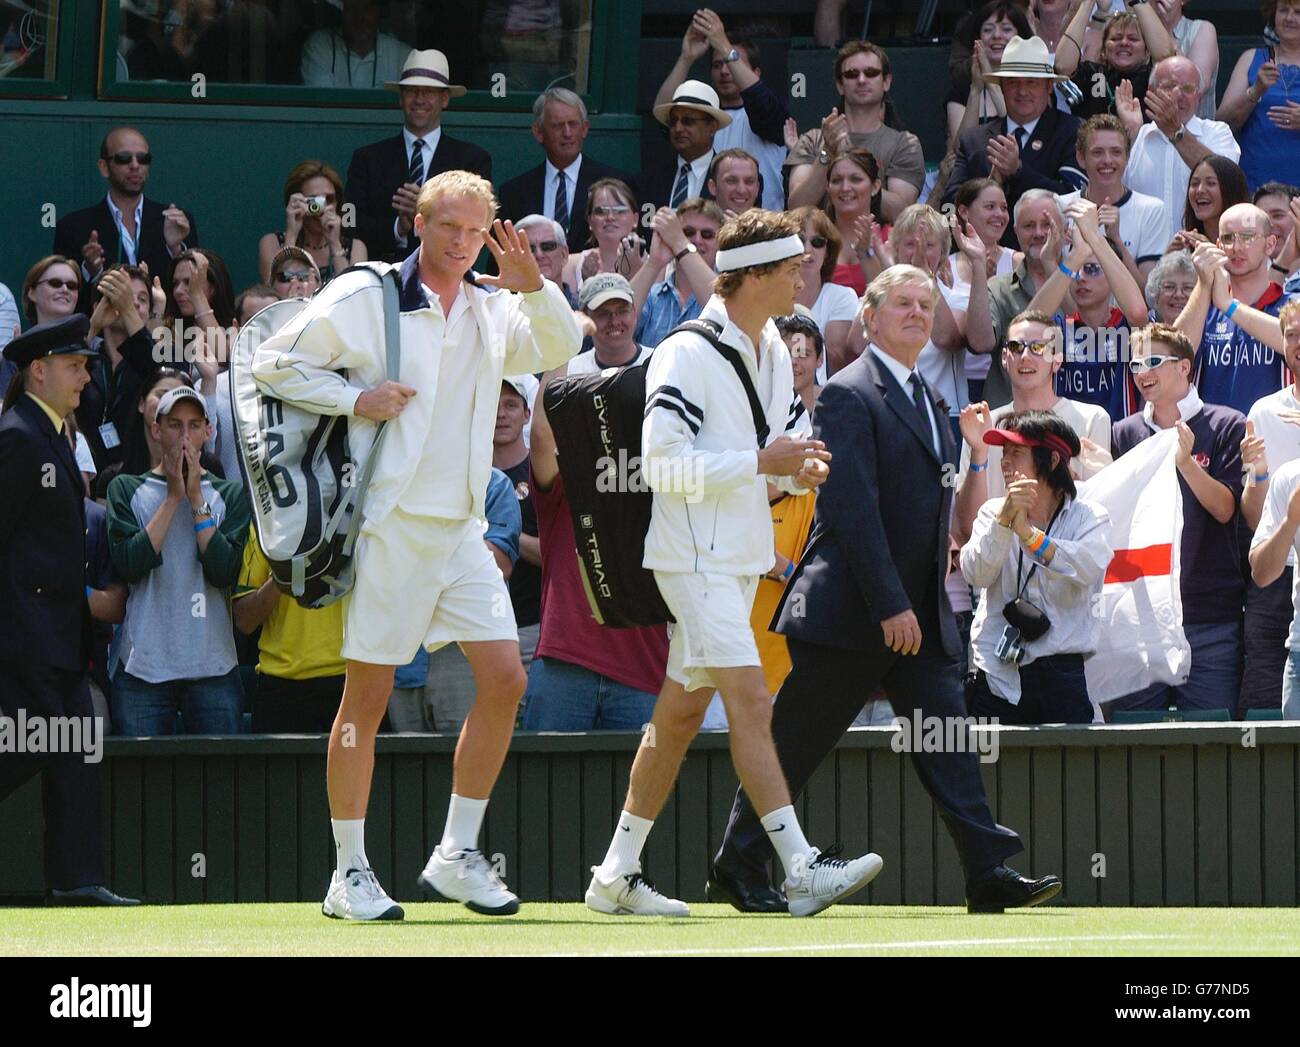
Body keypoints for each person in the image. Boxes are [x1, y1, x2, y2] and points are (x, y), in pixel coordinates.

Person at [252, 170, 581, 921]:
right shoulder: (368, 295)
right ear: (419, 226)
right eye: (449, 228)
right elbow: (273, 361)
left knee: (505, 680)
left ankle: (457, 853)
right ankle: (348, 872)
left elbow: (556, 347)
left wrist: (536, 287)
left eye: (476, 231)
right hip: (388, 529)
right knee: (364, 696)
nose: (463, 243)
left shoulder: (495, 308)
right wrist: (353, 398)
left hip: (461, 529)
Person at [710, 264, 1060, 915]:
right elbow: (850, 507)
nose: (916, 313)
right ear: (869, 318)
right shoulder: (848, 392)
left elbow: (928, 512)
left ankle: (986, 868)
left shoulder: (927, 397)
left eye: (925, 304)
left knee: (945, 737)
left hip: (914, 615)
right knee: (796, 741)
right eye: (901, 303)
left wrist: (918, 604)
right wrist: (890, 603)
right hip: (848, 613)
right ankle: (738, 860)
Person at [585, 209, 881, 919]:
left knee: (681, 711)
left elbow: (771, 456)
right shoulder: (684, 352)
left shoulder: (776, 345)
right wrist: (760, 462)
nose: (802, 276)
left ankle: (615, 873)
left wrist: (792, 472)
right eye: (788, 268)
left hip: (738, 553)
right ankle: (799, 864)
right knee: (750, 698)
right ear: (751, 276)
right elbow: (658, 463)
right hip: (692, 558)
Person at [0, 316, 138, 907]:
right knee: (28, 745)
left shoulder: (54, 434)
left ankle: (78, 880)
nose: (86, 375)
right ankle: (75, 878)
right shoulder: (19, 437)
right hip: (25, 637)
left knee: (78, 750)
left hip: (63, 636)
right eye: (75, 365)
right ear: (38, 370)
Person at [520, 340, 667, 732]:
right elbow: (541, 435)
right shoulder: (571, 480)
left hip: (645, 668)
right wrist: (561, 339)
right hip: (564, 662)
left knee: (643, 794)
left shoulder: (666, 483)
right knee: (547, 790)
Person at [1110, 322, 1245, 715]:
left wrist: (1186, 464)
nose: (1142, 373)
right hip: (1140, 619)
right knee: (1134, 747)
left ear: (1184, 368)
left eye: (1153, 361)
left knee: (1211, 746)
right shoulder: (1124, 432)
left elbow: (1225, 508)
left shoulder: (1225, 424)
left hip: (1209, 616)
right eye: (1136, 364)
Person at [106, 386, 249, 734]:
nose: (185, 436)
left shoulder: (230, 494)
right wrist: (172, 498)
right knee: (141, 783)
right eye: (175, 425)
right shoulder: (125, 489)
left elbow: (223, 571)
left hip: (213, 667)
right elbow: (129, 565)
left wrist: (196, 494)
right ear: (156, 429)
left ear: (208, 431)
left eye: (195, 425)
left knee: (221, 781)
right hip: (144, 669)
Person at [961, 411, 1112, 724]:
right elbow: (976, 573)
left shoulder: (1089, 516)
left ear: (1052, 460)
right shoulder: (992, 512)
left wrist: (1029, 537)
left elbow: (1086, 566)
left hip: (1062, 674)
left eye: (1017, 453)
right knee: (989, 772)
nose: (1005, 462)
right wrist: (1005, 523)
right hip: (997, 673)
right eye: (1004, 453)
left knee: (1070, 771)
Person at [954, 309, 1112, 544]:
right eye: (1017, 347)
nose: (1026, 356)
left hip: (1062, 563)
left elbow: (1097, 516)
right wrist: (979, 453)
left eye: (1038, 347)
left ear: (1057, 359)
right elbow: (968, 528)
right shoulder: (983, 425)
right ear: (1005, 358)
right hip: (997, 565)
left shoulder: (1092, 419)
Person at [387, 467, 521, 733]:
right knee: (404, 765)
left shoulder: (493, 483)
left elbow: (500, 564)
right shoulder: (391, 478)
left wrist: (418, 541)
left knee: (468, 762)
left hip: (462, 653)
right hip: (401, 653)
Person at [344, 49, 491, 263]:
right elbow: (350, 222)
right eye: (412, 91)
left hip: (448, 276)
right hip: (382, 275)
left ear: (444, 99)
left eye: (429, 92)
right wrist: (399, 227)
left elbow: (478, 224)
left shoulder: (472, 160)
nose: (419, 99)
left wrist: (427, 209)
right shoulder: (367, 159)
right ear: (401, 99)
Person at [1025, 197, 1149, 422]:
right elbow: (1027, 327)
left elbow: (1139, 313)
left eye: (1092, 269)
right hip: (1065, 444)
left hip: (1118, 445)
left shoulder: (1125, 326)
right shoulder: (1060, 329)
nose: (1081, 278)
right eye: (1077, 271)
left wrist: (1094, 236)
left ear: (1111, 276)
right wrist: (1075, 257)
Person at [52, 126, 198, 311]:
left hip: (165, 333)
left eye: (143, 159)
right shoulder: (73, 226)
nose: (135, 165)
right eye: (124, 158)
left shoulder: (176, 222)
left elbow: (197, 290)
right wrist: (90, 271)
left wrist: (175, 249)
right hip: (100, 334)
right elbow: (63, 300)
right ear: (104, 167)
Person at [655, 10, 789, 211]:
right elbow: (663, 114)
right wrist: (686, 58)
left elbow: (762, 103)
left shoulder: (769, 112)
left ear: (756, 73)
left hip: (761, 231)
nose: (725, 71)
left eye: (733, 62)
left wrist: (724, 46)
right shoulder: (699, 120)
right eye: (717, 65)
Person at [942, 36, 1085, 219]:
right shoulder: (974, 140)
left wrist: (1018, 170)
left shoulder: (1072, 131)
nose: (1022, 91)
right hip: (984, 246)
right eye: (1013, 82)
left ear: (1049, 86)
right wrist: (989, 187)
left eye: (1031, 82)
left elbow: (1072, 198)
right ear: (1001, 87)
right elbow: (949, 206)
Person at [1240, 298, 1300, 715]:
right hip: (1279, 573)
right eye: (1292, 334)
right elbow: (1253, 515)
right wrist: (1258, 475)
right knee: (1264, 700)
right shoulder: (1264, 411)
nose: (1299, 342)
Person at [787, 41, 924, 223]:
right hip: (820, 245)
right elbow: (797, 208)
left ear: (886, 82)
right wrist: (827, 153)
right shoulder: (813, 139)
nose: (861, 80)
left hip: (879, 247)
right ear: (840, 85)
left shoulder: (905, 143)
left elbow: (901, 213)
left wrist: (849, 158)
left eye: (871, 73)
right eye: (852, 74)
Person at [1172, 205, 1288, 416]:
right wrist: (1204, 283)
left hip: (1273, 439)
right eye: (1227, 238)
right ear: (1217, 246)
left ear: (1270, 244)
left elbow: (1289, 338)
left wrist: (1228, 305)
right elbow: (1172, 358)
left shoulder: (1290, 306)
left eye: (1247, 237)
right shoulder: (1202, 307)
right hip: (1215, 443)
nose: (1236, 247)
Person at [233, 522, 347, 732]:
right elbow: (244, 621)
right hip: (280, 687)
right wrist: (283, 573)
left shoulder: (358, 514)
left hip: (347, 682)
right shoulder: (266, 521)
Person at [1118, 55, 1240, 249]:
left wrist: (1175, 131)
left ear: (1198, 95)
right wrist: (1128, 136)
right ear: (1150, 92)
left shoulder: (1218, 133)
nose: (1178, 95)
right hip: (1143, 261)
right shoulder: (1137, 137)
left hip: (1202, 256)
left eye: (1188, 88)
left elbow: (1225, 181)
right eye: (1169, 86)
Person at [497, 87, 637, 254]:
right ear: (538, 132)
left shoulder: (615, 184)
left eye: (573, 124)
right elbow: (501, 260)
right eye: (557, 126)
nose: (567, 133)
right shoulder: (514, 193)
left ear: (584, 128)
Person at [966, 189, 1069, 407]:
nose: (1039, 233)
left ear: (1065, 229)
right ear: (1016, 232)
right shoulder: (999, 288)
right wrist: (977, 265)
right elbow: (978, 343)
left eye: (1047, 224)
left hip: (1072, 416)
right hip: (1011, 419)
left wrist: (1052, 266)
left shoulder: (1087, 284)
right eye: (1029, 226)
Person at [1057, 114, 1167, 284]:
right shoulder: (1061, 207)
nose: (1107, 160)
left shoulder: (1151, 210)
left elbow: (1148, 297)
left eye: (1116, 152)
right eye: (1097, 152)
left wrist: (1116, 241)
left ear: (1127, 157)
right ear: (1080, 158)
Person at [76, 265, 154, 472]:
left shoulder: (162, 355)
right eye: (120, 296)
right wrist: (92, 326)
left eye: (142, 299)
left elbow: (154, 372)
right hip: (87, 479)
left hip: (138, 479)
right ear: (98, 307)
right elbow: (61, 379)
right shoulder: (87, 358)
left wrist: (127, 310)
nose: (133, 303)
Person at [1216, 0, 1300, 193]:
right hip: (1257, 185)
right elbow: (1223, 124)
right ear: (1274, 15)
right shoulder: (1252, 58)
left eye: (1298, 12)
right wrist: (1255, 91)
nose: (1289, 18)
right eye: (1283, 10)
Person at [1055, 3, 1174, 120]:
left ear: (1147, 51)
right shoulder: (1093, 74)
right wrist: (1087, 3)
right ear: (1104, 50)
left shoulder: (1152, 78)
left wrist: (1137, 1)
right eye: (1115, 38)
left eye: (1133, 39)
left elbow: (1165, 56)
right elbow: (1062, 66)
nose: (1124, 43)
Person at [632, 198, 722, 349]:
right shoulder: (652, 296)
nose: (696, 240)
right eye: (688, 233)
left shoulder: (731, 293)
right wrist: (654, 262)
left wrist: (681, 243)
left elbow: (722, 309)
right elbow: (617, 321)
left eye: (707, 234)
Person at [257, 161, 368, 284]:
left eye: (329, 199)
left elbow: (353, 294)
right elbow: (280, 292)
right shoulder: (272, 243)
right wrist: (291, 236)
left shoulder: (355, 247)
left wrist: (335, 245)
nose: (322, 207)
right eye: (314, 201)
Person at [945, 2, 1031, 145]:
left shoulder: (1033, 84)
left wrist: (990, 81)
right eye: (988, 30)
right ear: (977, 38)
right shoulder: (962, 89)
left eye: (1006, 29)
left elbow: (1023, 135)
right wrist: (975, 90)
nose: (996, 35)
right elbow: (961, 148)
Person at [789, 205, 857, 379]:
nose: (807, 249)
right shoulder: (769, 295)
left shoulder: (842, 297)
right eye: (800, 240)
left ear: (828, 252)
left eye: (817, 242)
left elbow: (836, 361)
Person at [642, 79, 729, 212]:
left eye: (688, 121)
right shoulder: (651, 179)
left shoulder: (732, 180)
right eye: (673, 121)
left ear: (712, 127)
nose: (678, 128)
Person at [561, 179, 645, 297]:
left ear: (635, 220)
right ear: (590, 220)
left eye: (619, 211)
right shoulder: (570, 265)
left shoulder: (655, 265)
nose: (610, 217)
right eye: (600, 211)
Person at [300, 0, 406, 89]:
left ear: (379, 12)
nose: (360, 17)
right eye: (352, 8)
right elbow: (323, 103)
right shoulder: (320, 46)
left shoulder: (402, 55)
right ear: (342, 12)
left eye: (367, 9)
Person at [824, 148, 881, 297]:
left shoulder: (892, 239)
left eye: (855, 179)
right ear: (828, 188)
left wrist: (867, 255)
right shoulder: (816, 240)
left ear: (875, 187)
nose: (845, 188)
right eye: (836, 181)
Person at [1153, 0, 1220, 120]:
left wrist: (1165, 32)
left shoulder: (1202, 29)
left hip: (1193, 134)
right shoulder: (1134, 32)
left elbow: (1198, 86)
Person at [1181, 156, 1250, 244]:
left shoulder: (1252, 243)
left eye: (1211, 183)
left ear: (1231, 190)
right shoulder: (1186, 245)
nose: (1200, 190)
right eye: (1195, 183)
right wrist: (1169, 255)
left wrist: (1209, 250)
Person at [20, 256, 81, 327]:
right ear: (32, 293)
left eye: (71, 286)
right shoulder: (21, 338)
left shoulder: (91, 338)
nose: (65, 289)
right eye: (55, 283)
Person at [1145, 249, 1197, 323]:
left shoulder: (1212, 330)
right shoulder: (1142, 328)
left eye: (1187, 288)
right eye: (1169, 287)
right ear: (1156, 295)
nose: (1178, 295)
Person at [707, 148, 761, 216]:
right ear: (713, 187)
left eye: (749, 182)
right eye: (731, 181)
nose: (741, 190)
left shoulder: (772, 226)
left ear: (757, 189)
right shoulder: (695, 225)